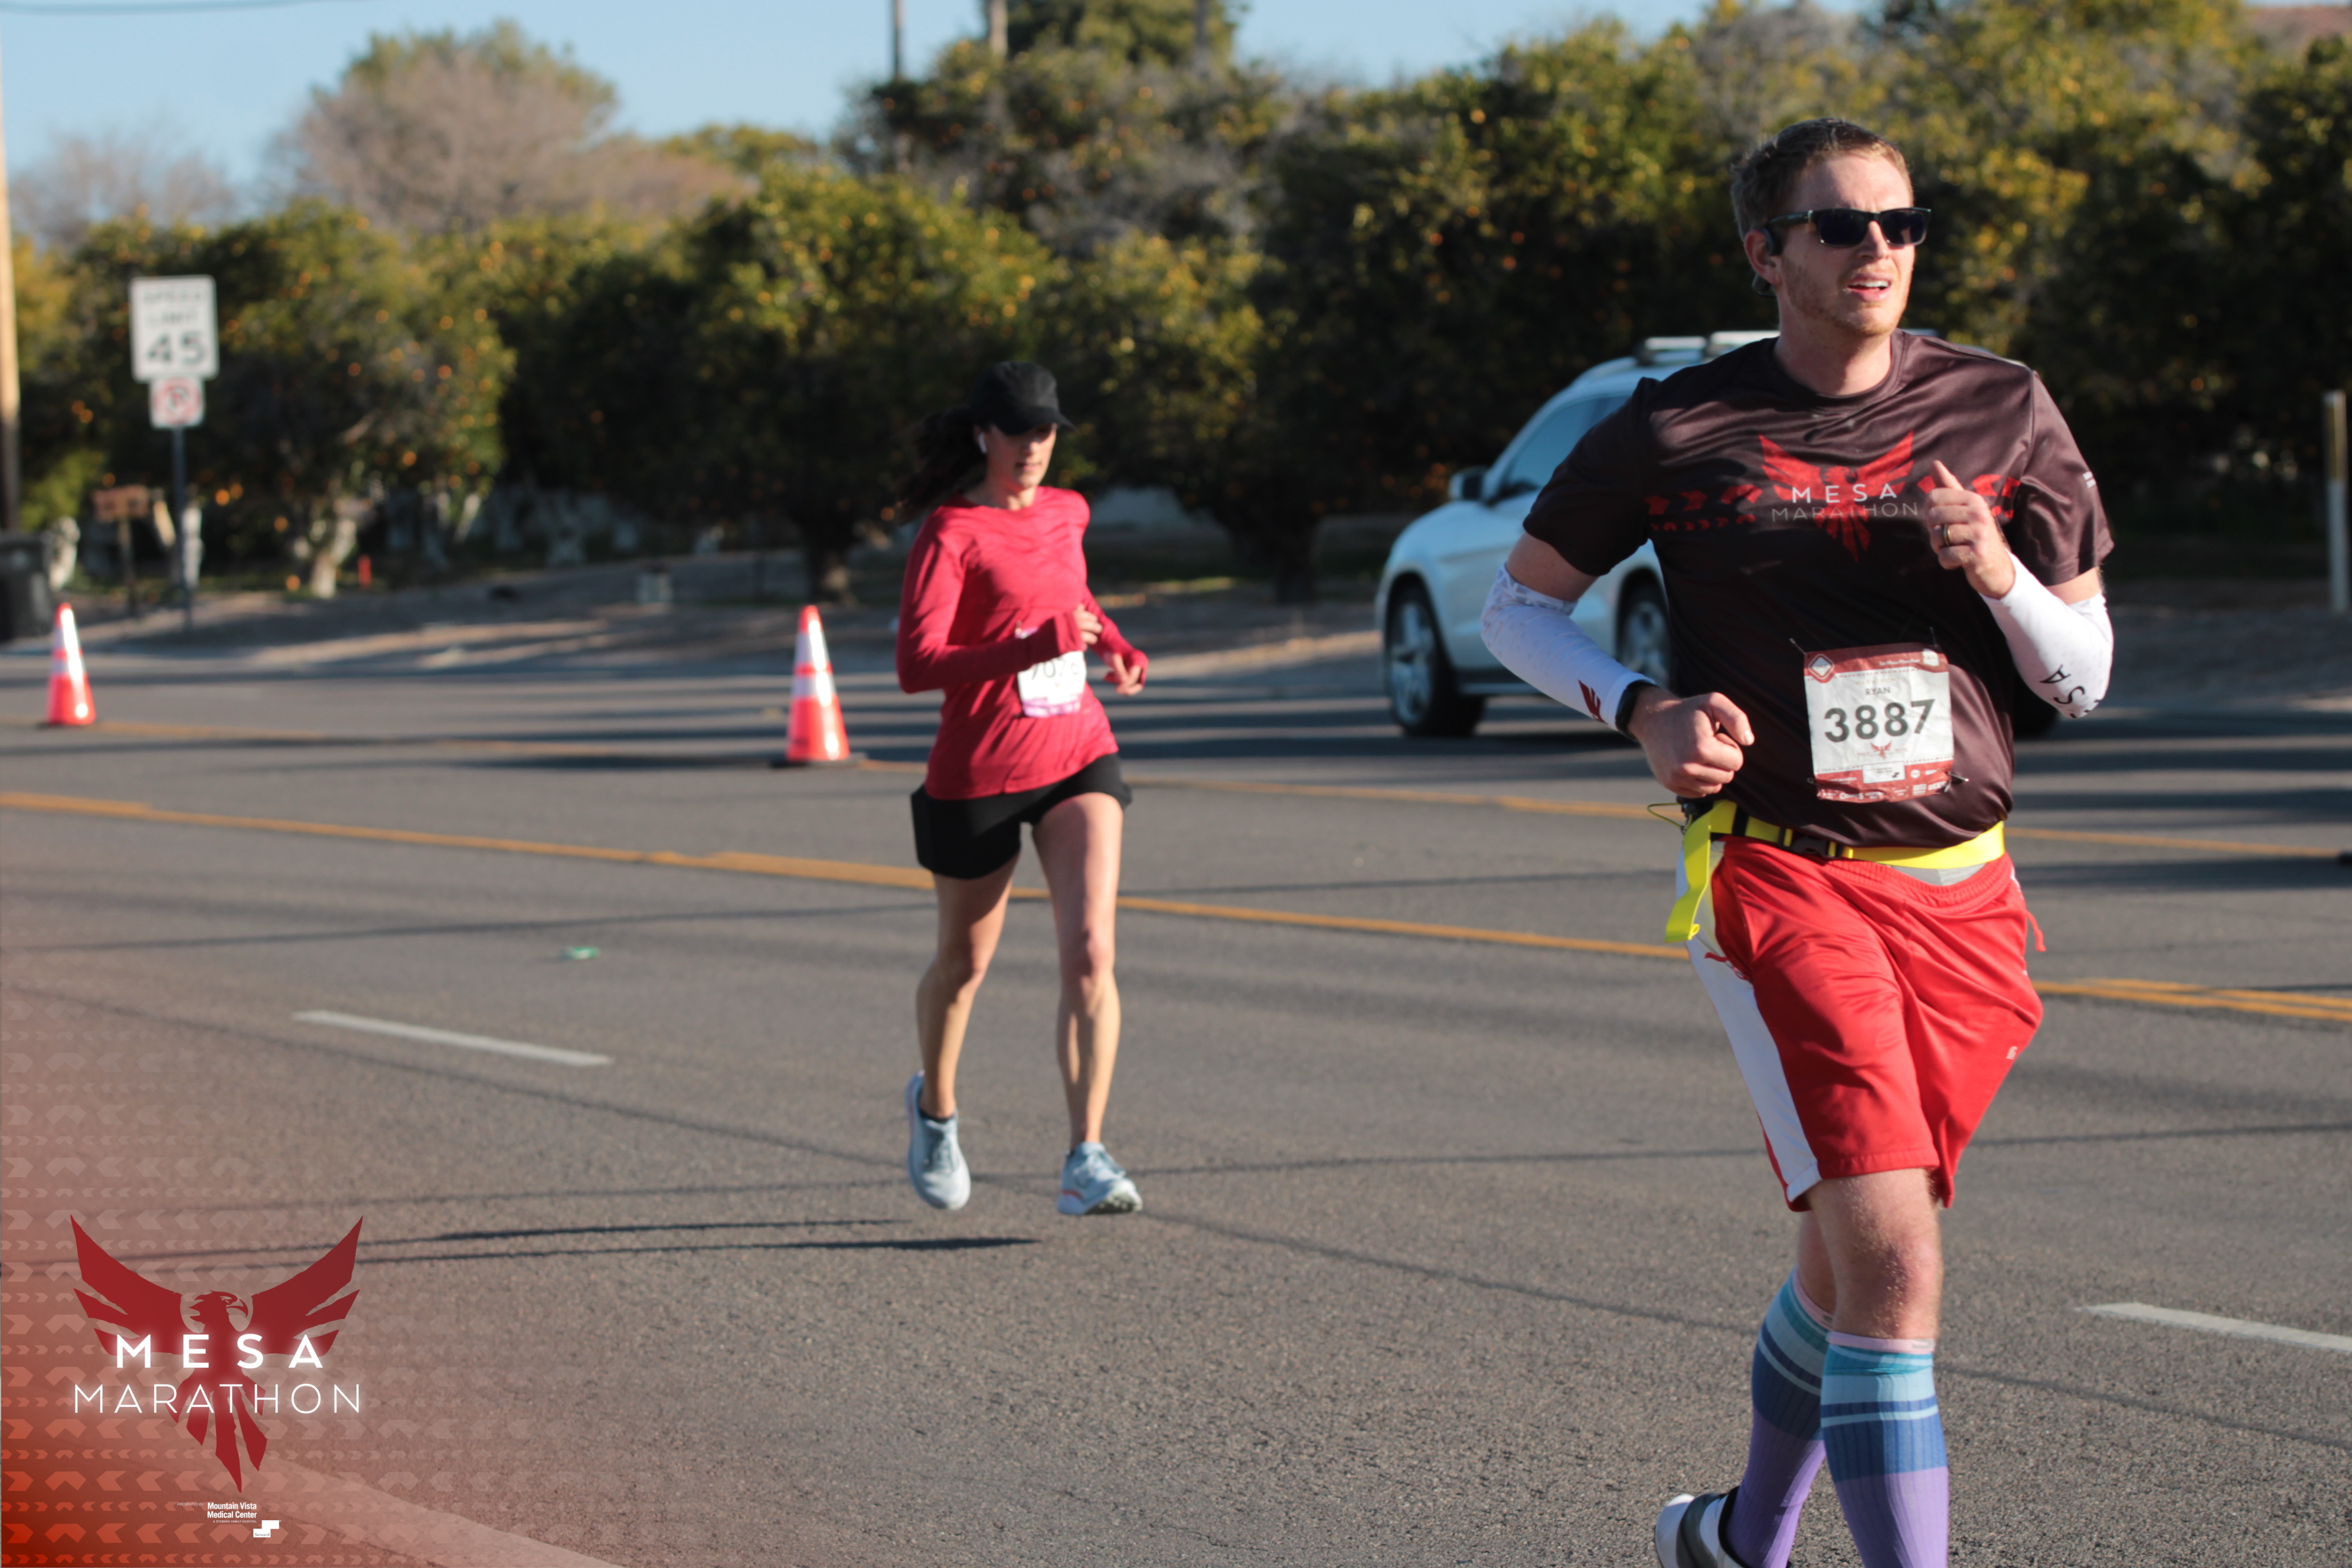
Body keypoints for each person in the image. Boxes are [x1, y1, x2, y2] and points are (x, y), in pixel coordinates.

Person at [1479, 119, 2115, 1568]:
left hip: (1967, 891)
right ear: (1767, 253)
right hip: (1781, 875)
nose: (1878, 248)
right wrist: (1638, 704)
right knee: (1898, 1262)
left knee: (1841, 1262)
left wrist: (1999, 571)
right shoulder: (1676, 427)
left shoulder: (2002, 407)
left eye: (1902, 222)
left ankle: (1734, 1539)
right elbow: (1517, 607)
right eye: (1840, 225)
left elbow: (2082, 679)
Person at [893, 361, 1151, 1219]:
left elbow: (1072, 597)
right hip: (981, 771)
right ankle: (936, 1112)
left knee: (1092, 951)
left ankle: (1087, 1156)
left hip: (1077, 749)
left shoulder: (1069, 511)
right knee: (964, 966)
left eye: (1045, 432)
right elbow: (916, 665)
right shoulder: (951, 533)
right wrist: (1032, 647)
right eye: (1017, 433)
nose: (1033, 448)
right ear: (983, 436)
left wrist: (1112, 642)